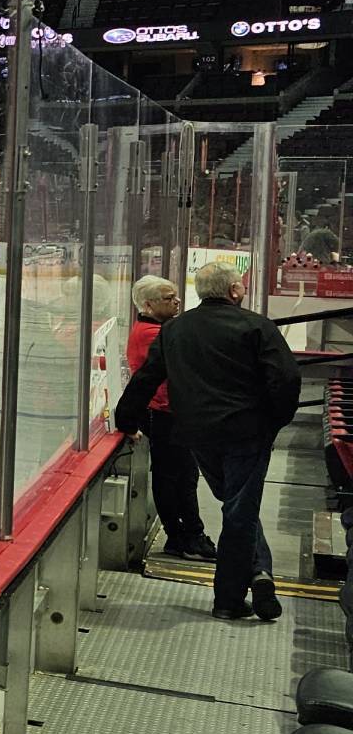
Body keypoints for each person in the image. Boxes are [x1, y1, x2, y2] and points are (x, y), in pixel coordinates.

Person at [115, 262, 302, 621]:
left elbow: (146, 379)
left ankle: (260, 573)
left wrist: (126, 419)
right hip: (246, 434)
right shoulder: (256, 327)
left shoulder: (174, 331)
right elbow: (287, 379)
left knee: (236, 507)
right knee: (238, 513)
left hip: (198, 435)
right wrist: (273, 423)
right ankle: (230, 599)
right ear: (233, 291)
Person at [125, 276, 216, 564]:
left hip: (170, 412)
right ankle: (185, 537)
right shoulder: (154, 334)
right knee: (177, 477)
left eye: (176, 296)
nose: (177, 301)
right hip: (165, 414)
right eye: (168, 298)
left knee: (180, 476)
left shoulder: (157, 329)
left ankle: (185, 535)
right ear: (148, 304)